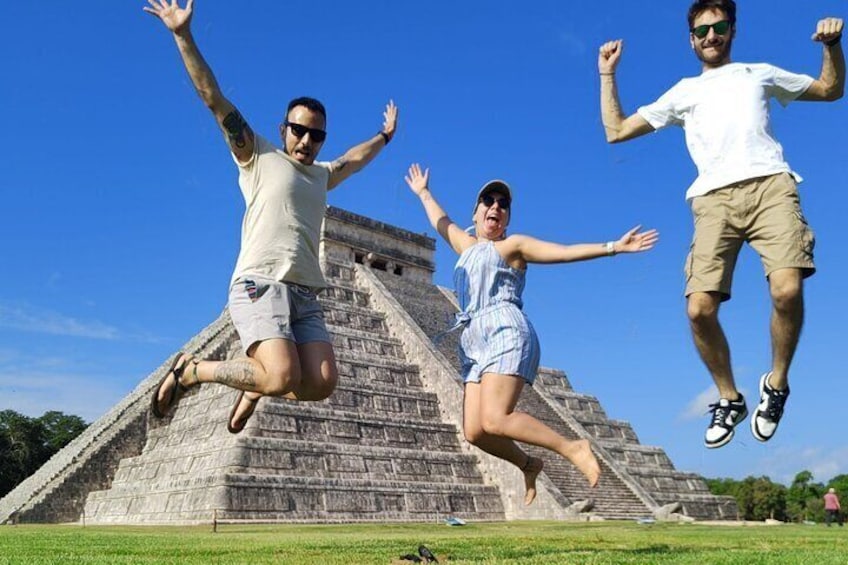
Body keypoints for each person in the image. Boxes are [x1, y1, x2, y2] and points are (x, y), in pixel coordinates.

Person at [598, 0, 844, 448]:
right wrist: (607, 74)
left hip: (771, 185)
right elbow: (615, 130)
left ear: (732, 30)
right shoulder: (682, 92)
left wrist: (832, 46)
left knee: (787, 288)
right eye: (701, 31)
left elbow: (830, 89)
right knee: (699, 309)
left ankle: (777, 383)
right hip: (712, 200)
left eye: (719, 27)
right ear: (691, 40)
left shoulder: (759, 73)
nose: (710, 36)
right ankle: (729, 397)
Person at [144, 0, 398, 433]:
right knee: (280, 374)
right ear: (284, 129)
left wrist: (385, 136)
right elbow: (213, 98)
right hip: (260, 282)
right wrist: (183, 36)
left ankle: (256, 384)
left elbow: (354, 160)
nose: (306, 140)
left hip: (303, 292)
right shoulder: (256, 155)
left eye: (316, 135)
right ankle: (192, 372)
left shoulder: (321, 175)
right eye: (298, 130)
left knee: (321, 384)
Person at [404, 163, 659, 504]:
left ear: (506, 220)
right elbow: (442, 221)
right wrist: (423, 192)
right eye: (488, 201)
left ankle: (573, 446)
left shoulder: (512, 247)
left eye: (503, 204)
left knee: (496, 418)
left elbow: (563, 252)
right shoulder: (466, 247)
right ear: (476, 212)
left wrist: (613, 246)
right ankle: (528, 464)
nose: (496, 206)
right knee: (476, 431)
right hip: (473, 341)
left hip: (505, 329)